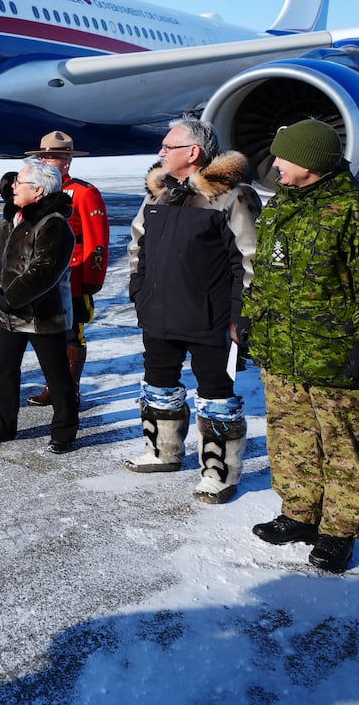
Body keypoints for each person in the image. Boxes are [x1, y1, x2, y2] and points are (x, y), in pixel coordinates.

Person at [244, 119, 359, 574]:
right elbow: (268, 275)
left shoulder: (356, 213)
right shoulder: (281, 207)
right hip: (283, 353)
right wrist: (251, 317)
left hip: (338, 358)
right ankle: (300, 513)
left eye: (283, 156)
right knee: (290, 439)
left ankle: (340, 530)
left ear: (311, 163)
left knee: (343, 448)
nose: (275, 163)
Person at [123, 117, 261, 505]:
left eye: (168, 147)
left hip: (211, 319)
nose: (161, 153)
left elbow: (249, 260)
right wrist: (140, 291)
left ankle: (219, 473)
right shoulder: (158, 195)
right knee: (158, 384)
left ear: (193, 153)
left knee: (217, 394)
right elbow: (138, 246)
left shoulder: (232, 196)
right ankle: (162, 452)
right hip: (159, 314)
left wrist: (240, 315)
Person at [0, 159, 78, 451]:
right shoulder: (6, 221)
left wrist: (11, 297)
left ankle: (64, 432)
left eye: (19, 182)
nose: (13, 186)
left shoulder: (54, 225)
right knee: (5, 371)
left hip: (42, 316)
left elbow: (44, 271)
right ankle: (2, 426)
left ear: (39, 190)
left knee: (56, 374)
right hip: (8, 313)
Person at [24, 130, 110, 406]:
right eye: (43, 156)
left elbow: (97, 239)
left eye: (53, 157)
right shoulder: (34, 192)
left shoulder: (83, 193)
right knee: (45, 332)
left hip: (73, 276)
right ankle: (54, 384)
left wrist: (93, 277)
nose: (46, 161)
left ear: (67, 162)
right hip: (42, 279)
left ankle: (69, 388)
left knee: (72, 333)